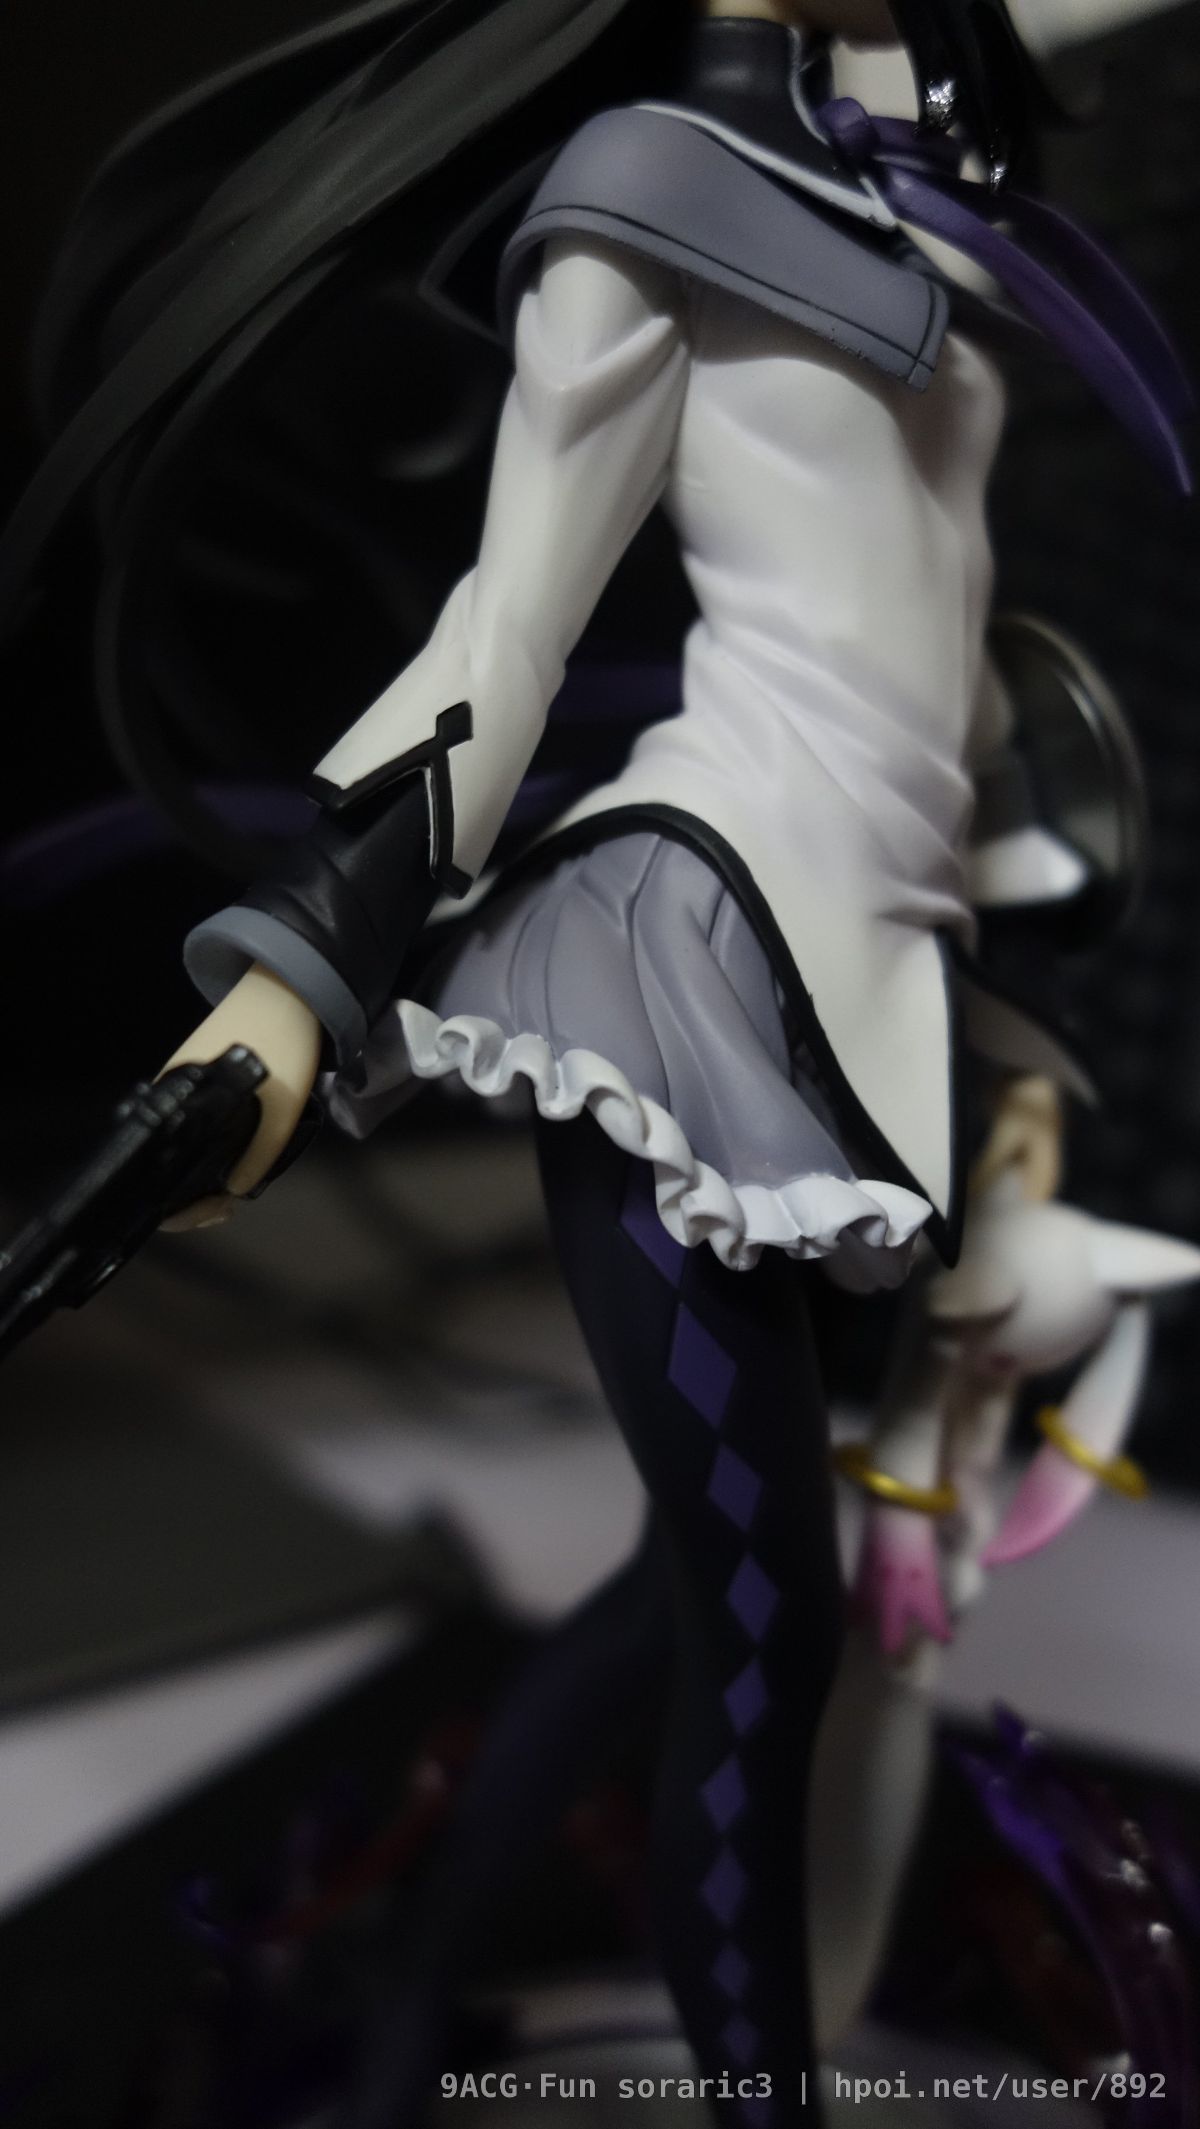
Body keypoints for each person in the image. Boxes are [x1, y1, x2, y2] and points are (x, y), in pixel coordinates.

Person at [1, 1, 1189, 2119]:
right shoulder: (644, 191)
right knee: (769, 1625)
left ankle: (408, 1992)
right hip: (689, 954)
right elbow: (507, 629)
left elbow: (935, 651)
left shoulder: (917, 198)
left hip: (879, 976)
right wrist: (294, 982)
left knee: (688, 1598)